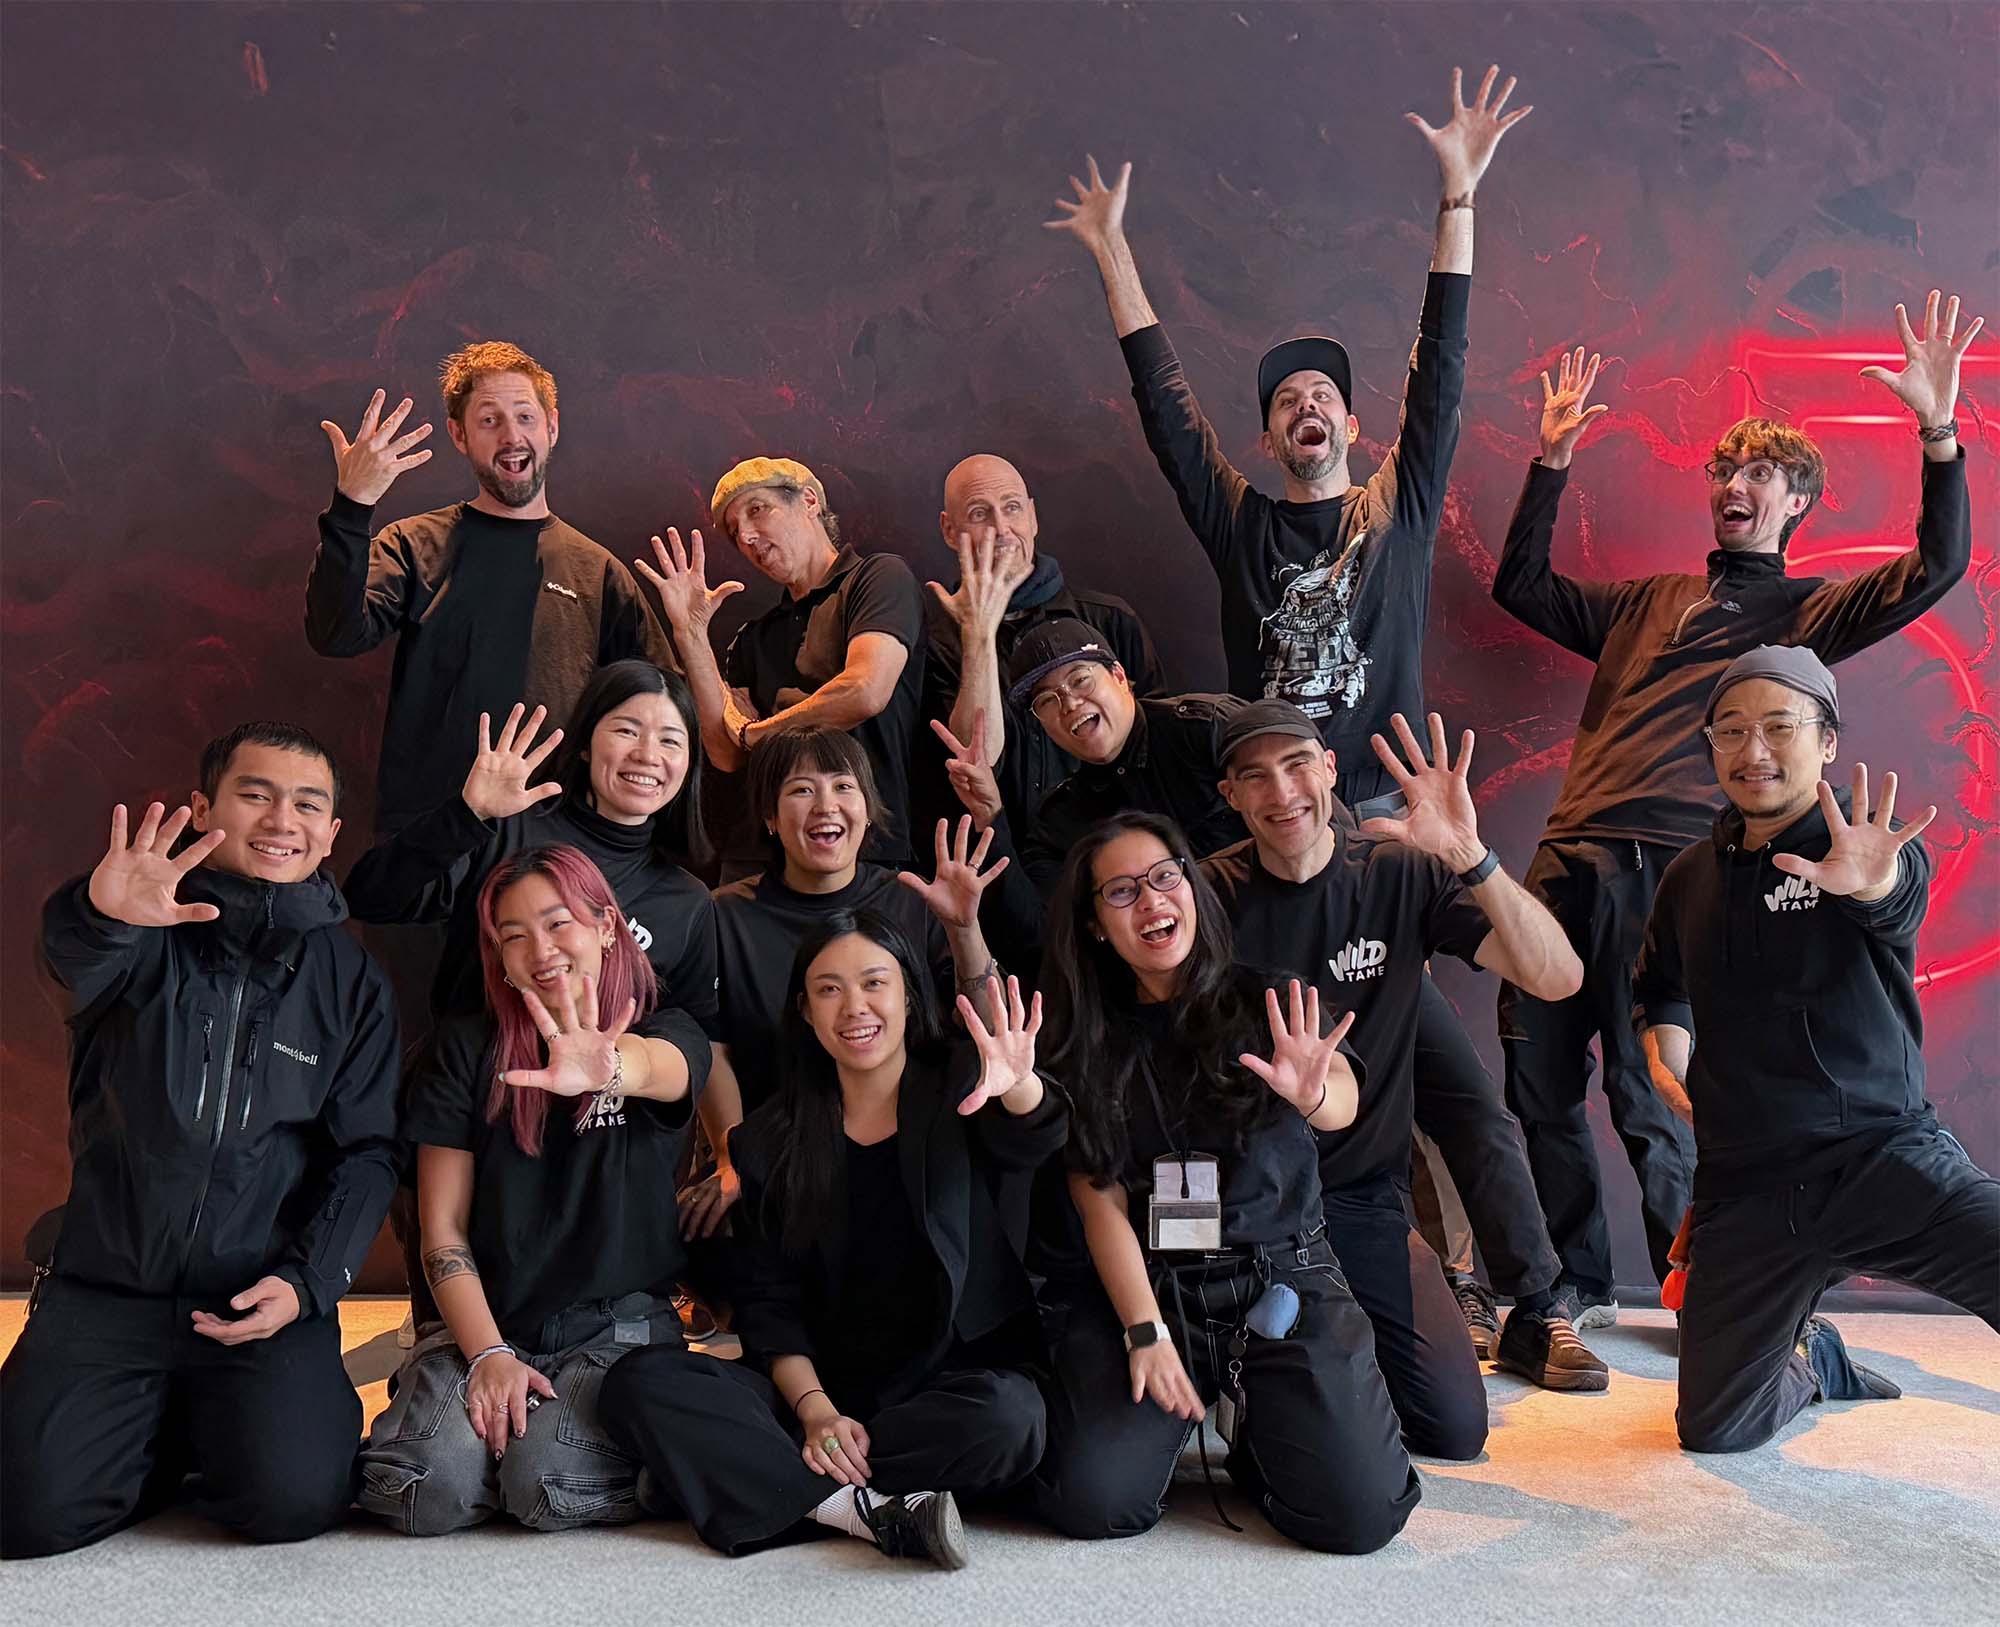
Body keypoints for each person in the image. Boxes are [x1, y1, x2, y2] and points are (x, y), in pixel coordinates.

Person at [1492, 292, 1979, 1322]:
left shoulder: (1800, 621)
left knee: (1646, 1090)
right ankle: (1576, 1285)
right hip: (1565, 854)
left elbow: (1936, 567)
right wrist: (1548, 461)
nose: (1734, 483)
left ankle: (1697, 1299)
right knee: (1532, 1081)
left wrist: (1936, 434)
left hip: (1662, 869)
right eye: (1722, 468)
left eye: (1759, 472)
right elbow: (1520, 587)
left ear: (1795, 499)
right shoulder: (1645, 601)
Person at [1047, 65, 1529, 814]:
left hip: (1383, 812)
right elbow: (1170, 417)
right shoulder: (1243, 527)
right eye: (1287, 400)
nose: (1308, 402)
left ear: (1351, 426)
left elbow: (1440, 368)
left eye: (1324, 394)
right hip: (1270, 809)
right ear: (1269, 440)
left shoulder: (1396, 513)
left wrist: (1458, 197)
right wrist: (1112, 248)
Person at [2, 725, 400, 1558]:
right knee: (22, 1512)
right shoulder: (136, 924)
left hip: (255, 1296)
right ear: (203, 808)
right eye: (255, 793)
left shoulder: (351, 981)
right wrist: (100, 914)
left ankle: (189, 1424)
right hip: (107, 1288)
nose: (280, 818)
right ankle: (164, 1426)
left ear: (330, 834)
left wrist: (308, 1282)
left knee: (291, 1500)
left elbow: (366, 1154)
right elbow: (71, 957)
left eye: (307, 803)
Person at [601, 913, 1062, 1566]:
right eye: (829, 989)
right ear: (805, 1011)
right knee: (637, 1381)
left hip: (946, 1385)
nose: (856, 1007)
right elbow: (768, 1308)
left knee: (1014, 1418)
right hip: (815, 1391)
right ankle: (855, 1505)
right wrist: (816, 1412)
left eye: (875, 982)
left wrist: (1018, 1084)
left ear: (907, 992)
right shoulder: (766, 1139)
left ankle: (758, 1479)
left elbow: (1039, 1135)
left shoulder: (963, 1089)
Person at [1207, 702, 1604, 1447]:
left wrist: (1471, 856)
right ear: (1230, 796)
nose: (1281, 790)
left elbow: (1557, 977)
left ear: (1330, 769)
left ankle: (1508, 1309)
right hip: (1250, 1198)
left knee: (1454, 1428)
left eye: (1296, 764)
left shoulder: (1398, 871)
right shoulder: (1206, 899)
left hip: (1361, 1197)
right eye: (1254, 775)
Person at [1632, 646, 1998, 1452]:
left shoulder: (1858, 848)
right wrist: (1668, 1058)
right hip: (1747, 1184)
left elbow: (1892, 899)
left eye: (1778, 726)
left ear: (1827, 740)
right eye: (1730, 730)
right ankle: (1814, 1355)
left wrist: (1873, 881)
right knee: (1714, 1428)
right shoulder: (1688, 877)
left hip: (1879, 1157)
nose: (1752, 750)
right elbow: (1660, 983)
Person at [1031, 813, 1420, 1554]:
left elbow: (1340, 1098)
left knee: (1359, 1516)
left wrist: (1312, 1091)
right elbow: (1097, 1195)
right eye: (1121, 891)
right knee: (1092, 1501)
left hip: (1279, 1277)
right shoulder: (1083, 1036)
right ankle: (1183, 1407)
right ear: (1092, 924)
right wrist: (1144, 1331)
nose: (1150, 901)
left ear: (1191, 886)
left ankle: (1252, 1424)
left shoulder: (1264, 998)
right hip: (1154, 1287)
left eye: (1163, 876)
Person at [342, 662, 721, 1335]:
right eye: (626, 729)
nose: (646, 755)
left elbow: (693, 1036)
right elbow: (373, 895)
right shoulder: (512, 830)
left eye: (670, 739)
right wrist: (469, 814)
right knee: (455, 1340)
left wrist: (726, 1152)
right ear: (584, 742)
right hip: (469, 1117)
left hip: (592, 1160)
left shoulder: (685, 899)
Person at [357, 846, 711, 1533]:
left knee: (544, 1479)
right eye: (513, 935)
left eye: (558, 923)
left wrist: (608, 1069)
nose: (539, 949)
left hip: (615, 1326)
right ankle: (483, 1437)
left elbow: (661, 1070)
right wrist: (488, 1354)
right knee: (424, 1486)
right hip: (488, 1320)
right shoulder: (464, 1049)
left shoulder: (665, 1029)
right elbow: (444, 1232)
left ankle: (609, 1454)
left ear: (607, 925)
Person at [306, 342, 675, 838]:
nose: (511, 435)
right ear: (459, 435)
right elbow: (334, 634)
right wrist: (352, 506)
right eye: (489, 421)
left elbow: (661, 698)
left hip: (556, 839)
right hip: (427, 834)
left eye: (525, 416)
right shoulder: (414, 545)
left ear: (552, 427)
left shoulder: (599, 572)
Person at [689, 725, 1009, 1242]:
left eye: (843, 786)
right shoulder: (724, 915)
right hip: (783, 1165)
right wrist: (732, 1157)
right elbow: (712, 1044)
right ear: (769, 817)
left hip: (913, 1158)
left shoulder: (915, 899)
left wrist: (964, 930)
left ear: (867, 807)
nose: (825, 805)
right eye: (800, 789)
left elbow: (991, 1033)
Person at [640, 459, 926, 875]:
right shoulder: (756, 636)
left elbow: (864, 690)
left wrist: (758, 732)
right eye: (736, 531)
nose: (748, 537)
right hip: (764, 857)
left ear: (808, 500)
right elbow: (726, 752)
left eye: (757, 510)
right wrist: (691, 634)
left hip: (867, 853)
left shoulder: (877, 578)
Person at [921, 454, 1165, 835]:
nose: (1002, 528)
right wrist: (979, 636)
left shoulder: (1110, 620)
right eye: (980, 514)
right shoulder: (930, 640)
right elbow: (975, 757)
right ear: (949, 530)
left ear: (1033, 517)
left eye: (1012, 508)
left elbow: (1156, 752)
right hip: (998, 863)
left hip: (1110, 856)